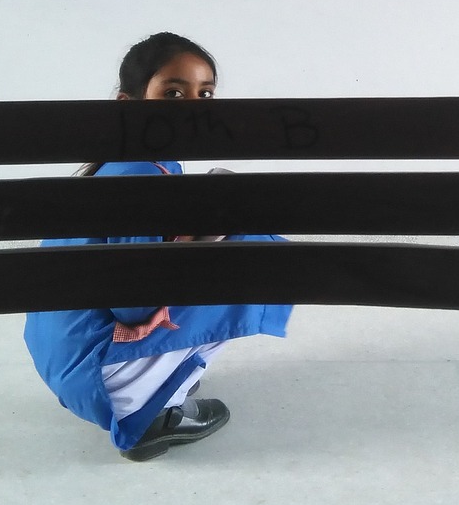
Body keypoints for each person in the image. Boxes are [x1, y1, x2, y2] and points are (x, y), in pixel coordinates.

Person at [23, 32, 292, 462]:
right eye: (173, 93)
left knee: (242, 245)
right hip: (101, 375)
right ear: (129, 105)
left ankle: (159, 380)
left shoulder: (126, 165)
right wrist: (208, 239)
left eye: (205, 93)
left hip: (66, 362)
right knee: (261, 257)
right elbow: (135, 306)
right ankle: (154, 413)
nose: (193, 107)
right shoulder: (140, 177)